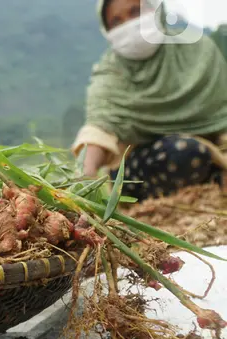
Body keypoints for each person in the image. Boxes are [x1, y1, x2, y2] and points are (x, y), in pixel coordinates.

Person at [72, 0, 227, 201]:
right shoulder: (111, 71)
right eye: (117, 21)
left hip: (211, 154)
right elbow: (100, 128)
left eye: (135, 11)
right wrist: (85, 177)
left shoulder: (199, 50)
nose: (129, 24)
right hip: (141, 170)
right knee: (184, 151)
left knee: (200, 155)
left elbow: (223, 116)